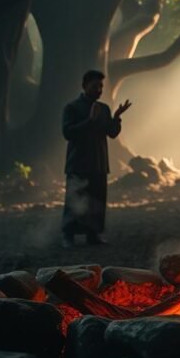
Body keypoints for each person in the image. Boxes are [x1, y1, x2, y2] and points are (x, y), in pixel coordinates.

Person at [61, 70, 131, 247]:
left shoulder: (104, 109)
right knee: (75, 200)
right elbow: (68, 132)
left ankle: (93, 234)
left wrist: (117, 117)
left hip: (98, 162)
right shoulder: (71, 108)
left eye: (100, 86)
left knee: (97, 199)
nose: (99, 90)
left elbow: (112, 133)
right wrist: (89, 121)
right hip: (78, 162)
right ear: (84, 86)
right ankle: (68, 236)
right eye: (95, 86)